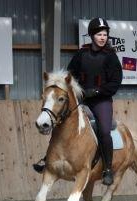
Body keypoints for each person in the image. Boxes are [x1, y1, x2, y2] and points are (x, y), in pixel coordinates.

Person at [34, 17, 123, 186]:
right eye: (99, 34)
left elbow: (115, 83)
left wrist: (96, 91)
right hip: (81, 99)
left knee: (104, 130)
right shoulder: (82, 54)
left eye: (105, 34)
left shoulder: (111, 57)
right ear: (91, 35)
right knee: (60, 121)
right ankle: (48, 160)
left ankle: (108, 169)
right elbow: (69, 75)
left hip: (101, 101)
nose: (102, 37)